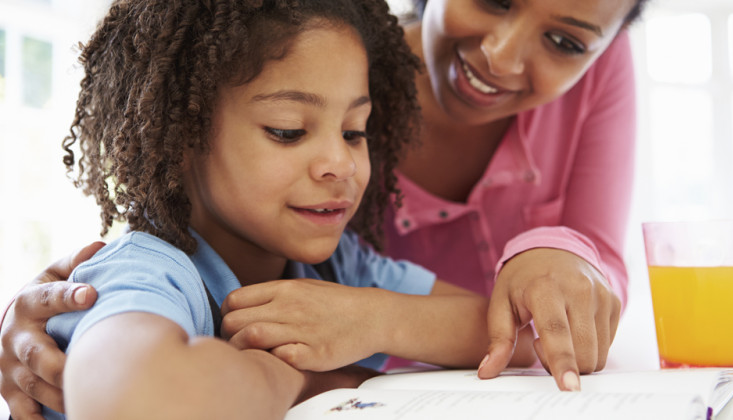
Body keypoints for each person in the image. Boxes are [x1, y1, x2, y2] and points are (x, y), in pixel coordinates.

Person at [1, 0, 649, 414]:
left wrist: (373, 323)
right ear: (178, 136)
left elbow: (517, 334)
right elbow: (141, 399)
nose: (339, 163)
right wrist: (300, 379)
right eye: (288, 130)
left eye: (355, 132)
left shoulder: (340, 270)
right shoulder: (148, 271)